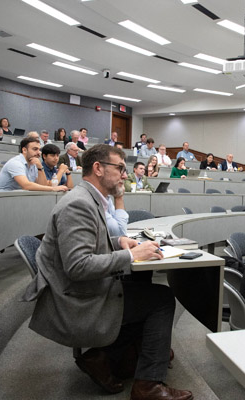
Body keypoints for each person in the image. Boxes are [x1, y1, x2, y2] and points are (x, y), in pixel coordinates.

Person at [22, 145, 192, 400]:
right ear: (98, 168)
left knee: (145, 291)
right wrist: (131, 255)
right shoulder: (78, 204)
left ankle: (104, 356)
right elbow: (78, 266)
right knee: (161, 300)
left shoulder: (88, 198)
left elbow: (88, 247)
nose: (125, 175)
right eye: (120, 168)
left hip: (81, 290)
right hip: (76, 301)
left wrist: (118, 243)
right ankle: (148, 385)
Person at [0, 137, 68, 192]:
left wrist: (40, 168)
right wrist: (53, 188)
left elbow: (42, 185)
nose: (39, 152)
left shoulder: (33, 163)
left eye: (39, 150)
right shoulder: (16, 163)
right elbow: (26, 185)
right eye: (35, 149)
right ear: (24, 150)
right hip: (3, 199)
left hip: (20, 198)